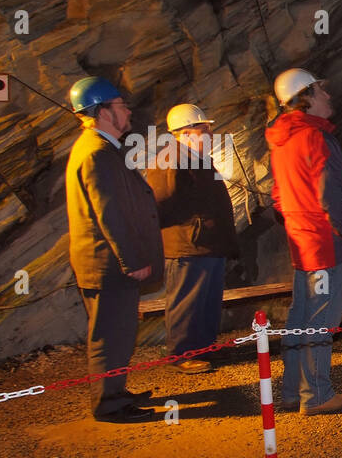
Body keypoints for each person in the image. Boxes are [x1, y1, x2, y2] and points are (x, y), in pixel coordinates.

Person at [265, 67, 342, 415]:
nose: (329, 96)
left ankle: (292, 392)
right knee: (322, 320)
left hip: (303, 243)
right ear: (306, 97)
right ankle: (318, 396)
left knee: (301, 316)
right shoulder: (316, 137)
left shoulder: (281, 139)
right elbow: (332, 195)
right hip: (327, 244)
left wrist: (300, 225)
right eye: (321, 91)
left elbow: (278, 196)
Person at [64, 76, 164, 422]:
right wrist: (132, 259)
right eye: (121, 106)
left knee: (117, 333)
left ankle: (116, 392)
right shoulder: (97, 154)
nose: (128, 112)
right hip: (109, 265)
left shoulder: (101, 149)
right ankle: (110, 405)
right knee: (109, 335)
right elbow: (110, 213)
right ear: (102, 112)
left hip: (107, 263)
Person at [145, 103, 239, 373]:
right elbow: (159, 204)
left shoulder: (196, 159)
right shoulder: (171, 159)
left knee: (207, 299)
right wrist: (191, 227)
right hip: (188, 245)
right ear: (185, 132)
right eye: (204, 129)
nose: (210, 134)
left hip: (206, 244)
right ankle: (182, 354)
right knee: (187, 301)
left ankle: (204, 348)